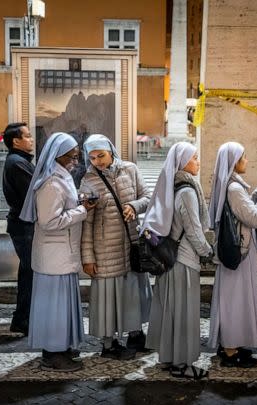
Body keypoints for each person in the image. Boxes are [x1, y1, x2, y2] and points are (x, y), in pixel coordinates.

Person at [19, 132, 96, 372]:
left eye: (76, 157)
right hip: (54, 257)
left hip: (62, 254)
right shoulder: (51, 183)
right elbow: (49, 221)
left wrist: (79, 203)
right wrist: (82, 210)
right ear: (57, 156)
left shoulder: (61, 177)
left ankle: (61, 347)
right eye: (71, 158)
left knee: (60, 306)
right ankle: (52, 354)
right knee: (54, 307)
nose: (75, 162)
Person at [143, 142, 211, 380]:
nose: (198, 162)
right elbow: (193, 230)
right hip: (183, 261)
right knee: (184, 313)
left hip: (168, 261)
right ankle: (182, 364)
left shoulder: (171, 185)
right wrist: (207, 251)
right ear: (183, 163)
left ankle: (169, 357)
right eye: (194, 158)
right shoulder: (187, 192)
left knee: (170, 310)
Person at [79, 134, 152, 359]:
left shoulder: (130, 170)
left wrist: (133, 205)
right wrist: (88, 257)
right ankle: (108, 344)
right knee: (108, 298)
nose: (97, 161)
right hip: (105, 250)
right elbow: (86, 223)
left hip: (130, 244)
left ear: (111, 150)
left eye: (101, 155)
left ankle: (136, 334)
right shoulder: (88, 181)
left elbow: (148, 197)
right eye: (92, 158)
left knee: (132, 292)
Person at [208, 142, 257, 368]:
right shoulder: (234, 188)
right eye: (243, 156)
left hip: (237, 253)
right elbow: (254, 218)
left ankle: (231, 344)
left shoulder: (231, 185)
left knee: (232, 300)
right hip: (240, 254)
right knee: (235, 302)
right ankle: (230, 350)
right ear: (234, 162)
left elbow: (245, 208)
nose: (247, 160)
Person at [2, 123, 35, 336]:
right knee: (29, 272)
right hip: (23, 225)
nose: (31, 140)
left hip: (23, 224)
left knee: (28, 271)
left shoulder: (19, 161)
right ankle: (22, 319)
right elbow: (32, 194)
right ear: (16, 141)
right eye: (28, 136)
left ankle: (25, 318)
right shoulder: (17, 163)